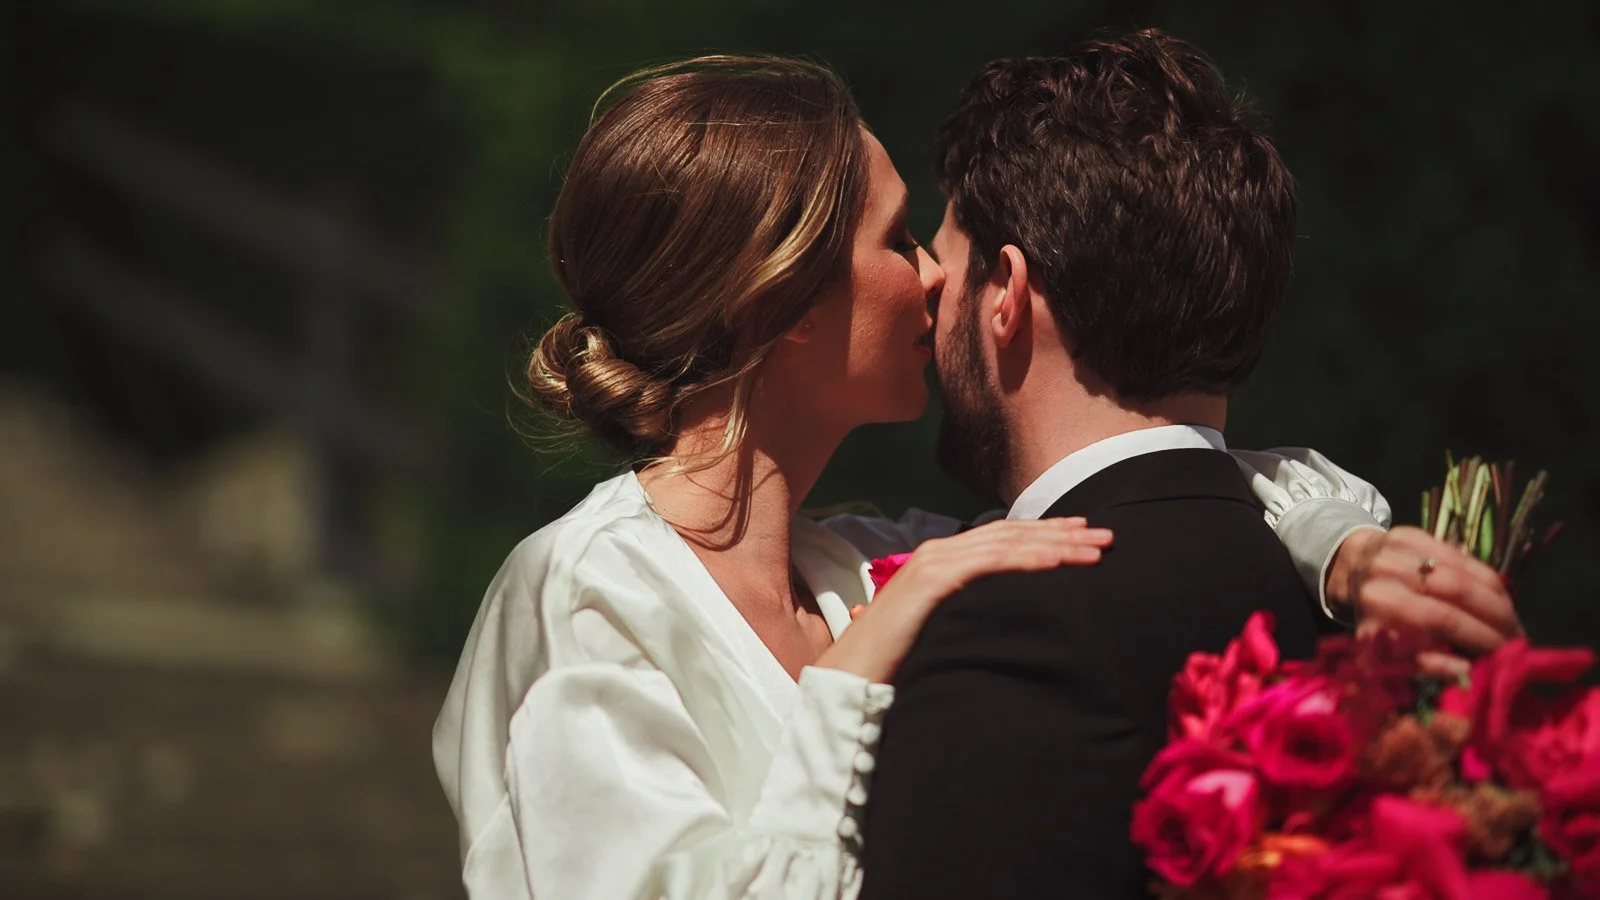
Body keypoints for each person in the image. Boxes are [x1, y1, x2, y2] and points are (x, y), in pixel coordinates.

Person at [432, 55, 1516, 900]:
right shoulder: (584, 589)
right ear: (777, 301)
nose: (937, 274)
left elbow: (1149, 481)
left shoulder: (859, 561)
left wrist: (1342, 545)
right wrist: (850, 676)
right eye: (897, 238)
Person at [855, 30, 1521, 900]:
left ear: (1008, 295)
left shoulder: (1012, 634)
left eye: (948, 258)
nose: (932, 289)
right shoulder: (1346, 615)